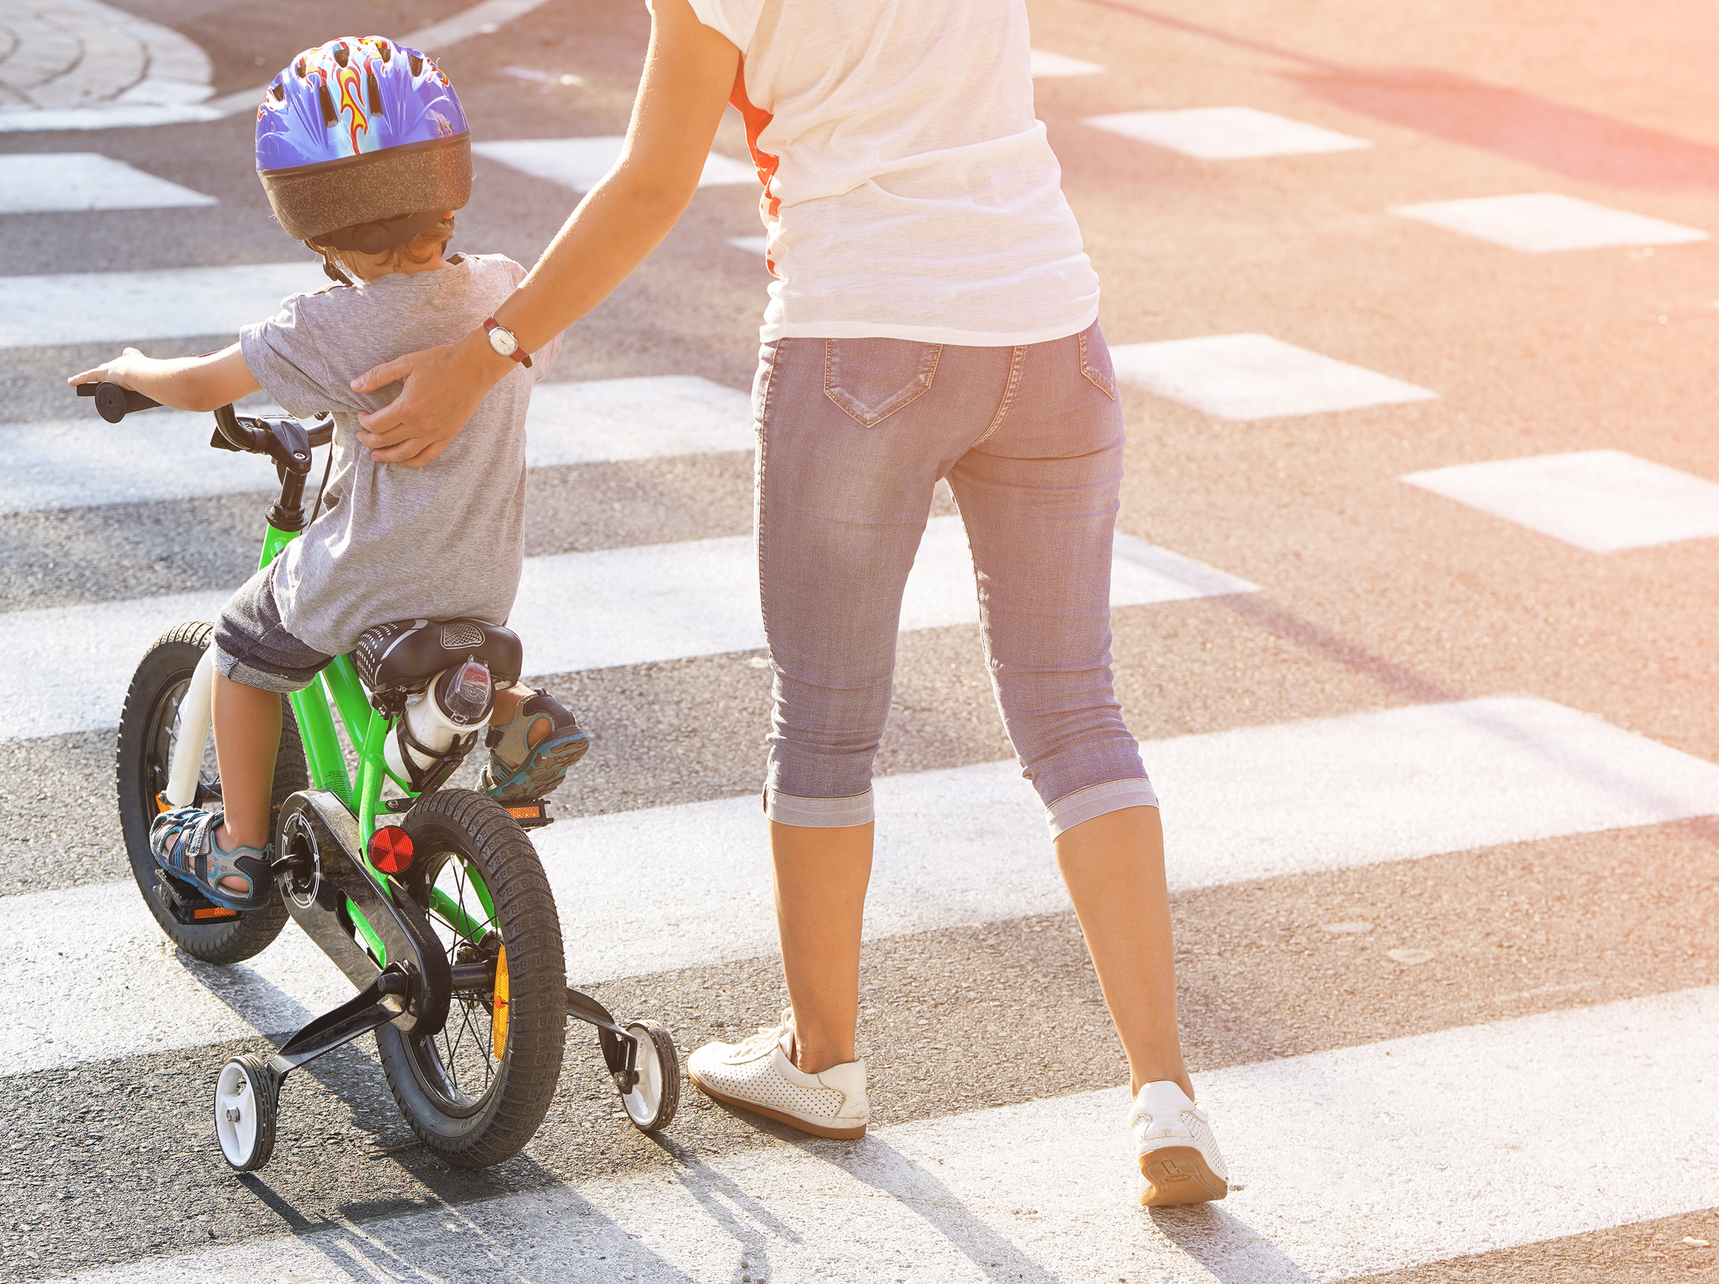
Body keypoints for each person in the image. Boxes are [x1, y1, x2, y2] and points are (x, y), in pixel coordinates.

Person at [348, 0, 1229, 1206]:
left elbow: (654, 184)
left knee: (824, 721)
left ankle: (823, 1061)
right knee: (1077, 713)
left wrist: (487, 350)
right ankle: (1164, 1093)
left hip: (858, 337)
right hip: (1052, 334)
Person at [68, 36, 589, 912]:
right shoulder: (506, 290)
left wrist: (130, 367)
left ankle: (236, 845)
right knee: (428, 642)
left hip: (370, 574)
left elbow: (201, 385)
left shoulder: (324, 329)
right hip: (482, 576)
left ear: (304, 224)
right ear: (449, 195)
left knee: (241, 648)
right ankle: (511, 709)